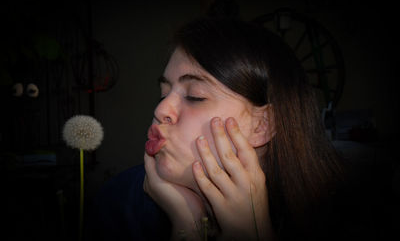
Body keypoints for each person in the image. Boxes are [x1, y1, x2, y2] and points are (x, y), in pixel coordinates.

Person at [87, 17, 347, 240]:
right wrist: (187, 228)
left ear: (262, 125)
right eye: (163, 94)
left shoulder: (339, 216)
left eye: (195, 96)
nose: (161, 110)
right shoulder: (117, 203)